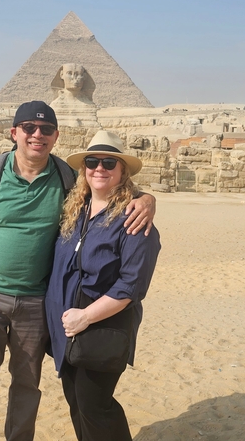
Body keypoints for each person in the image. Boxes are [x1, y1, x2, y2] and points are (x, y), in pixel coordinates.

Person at [0, 102, 156, 441]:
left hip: (35, 303)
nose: (37, 135)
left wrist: (147, 199)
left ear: (56, 135)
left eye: (46, 129)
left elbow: (109, 186)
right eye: (29, 127)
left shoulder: (64, 176)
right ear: (13, 132)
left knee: (28, 385)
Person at [46, 131, 161, 440]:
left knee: (96, 406)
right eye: (92, 161)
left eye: (109, 162)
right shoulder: (75, 209)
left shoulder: (134, 219)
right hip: (65, 329)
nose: (100, 168)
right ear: (84, 168)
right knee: (76, 402)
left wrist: (85, 317)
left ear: (122, 171)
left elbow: (131, 285)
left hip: (101, 327)